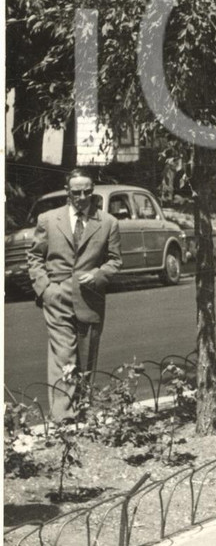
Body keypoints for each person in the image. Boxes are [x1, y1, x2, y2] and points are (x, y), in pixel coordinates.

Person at [26, 169, 122, 421]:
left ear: (93, 191)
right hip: (56, 298)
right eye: (76, 192)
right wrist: (45, 289)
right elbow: (35, 257)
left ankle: (82, 411)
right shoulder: (48, 219)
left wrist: (99, 274)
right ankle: (63, 417)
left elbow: (115, 261)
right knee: (63, 356)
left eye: (87, 192)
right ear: (67, 191)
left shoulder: (108, 222)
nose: (82, 197)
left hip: (90, 298)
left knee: (86, 358)